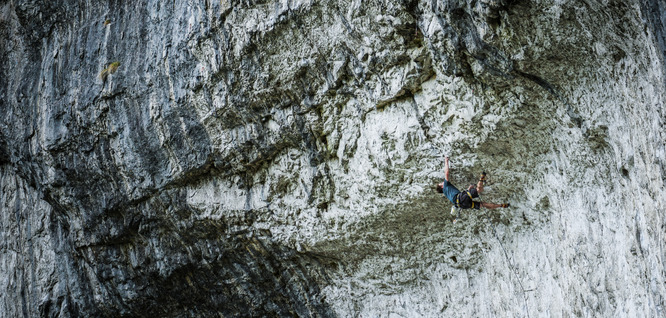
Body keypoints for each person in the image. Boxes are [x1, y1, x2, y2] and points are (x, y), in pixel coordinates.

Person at [436, 157, 509, 221]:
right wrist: (446, 161)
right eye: (441, 183)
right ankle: (481, 179)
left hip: (463, 205)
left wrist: (468, 190)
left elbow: (460, 197)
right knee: (478, 190)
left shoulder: (447, 193)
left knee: (484, 205)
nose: (442, 182)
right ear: (442, 187)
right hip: (461, 198)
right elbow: (446, 173)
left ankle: (500, 205)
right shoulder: (445, 185)